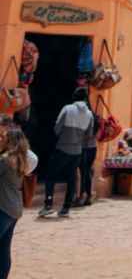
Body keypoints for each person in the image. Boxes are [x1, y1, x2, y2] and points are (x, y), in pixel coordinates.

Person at [39, 88, 93, 218]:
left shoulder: (67, 109)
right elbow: (89, 135)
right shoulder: (89, 114)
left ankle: (48, 205)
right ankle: (66, 208)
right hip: (77, 151)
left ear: (74, 97)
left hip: (62, 148)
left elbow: (57, 128)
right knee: (71, 179)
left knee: (50, 176)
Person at [0, 123, 37, 279]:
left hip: (3, 208)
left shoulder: (5, 160)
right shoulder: (22, 159)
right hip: (14, 209)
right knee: (4, 249)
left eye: (4, 137)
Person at [74, 93, 100, 208]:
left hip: (83, 147)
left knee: (83, 172)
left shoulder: (82, 115)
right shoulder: (93, 115)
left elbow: (86, 133)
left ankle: (82, 196)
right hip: (92, 147)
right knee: (88, 171)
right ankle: (88, 196)